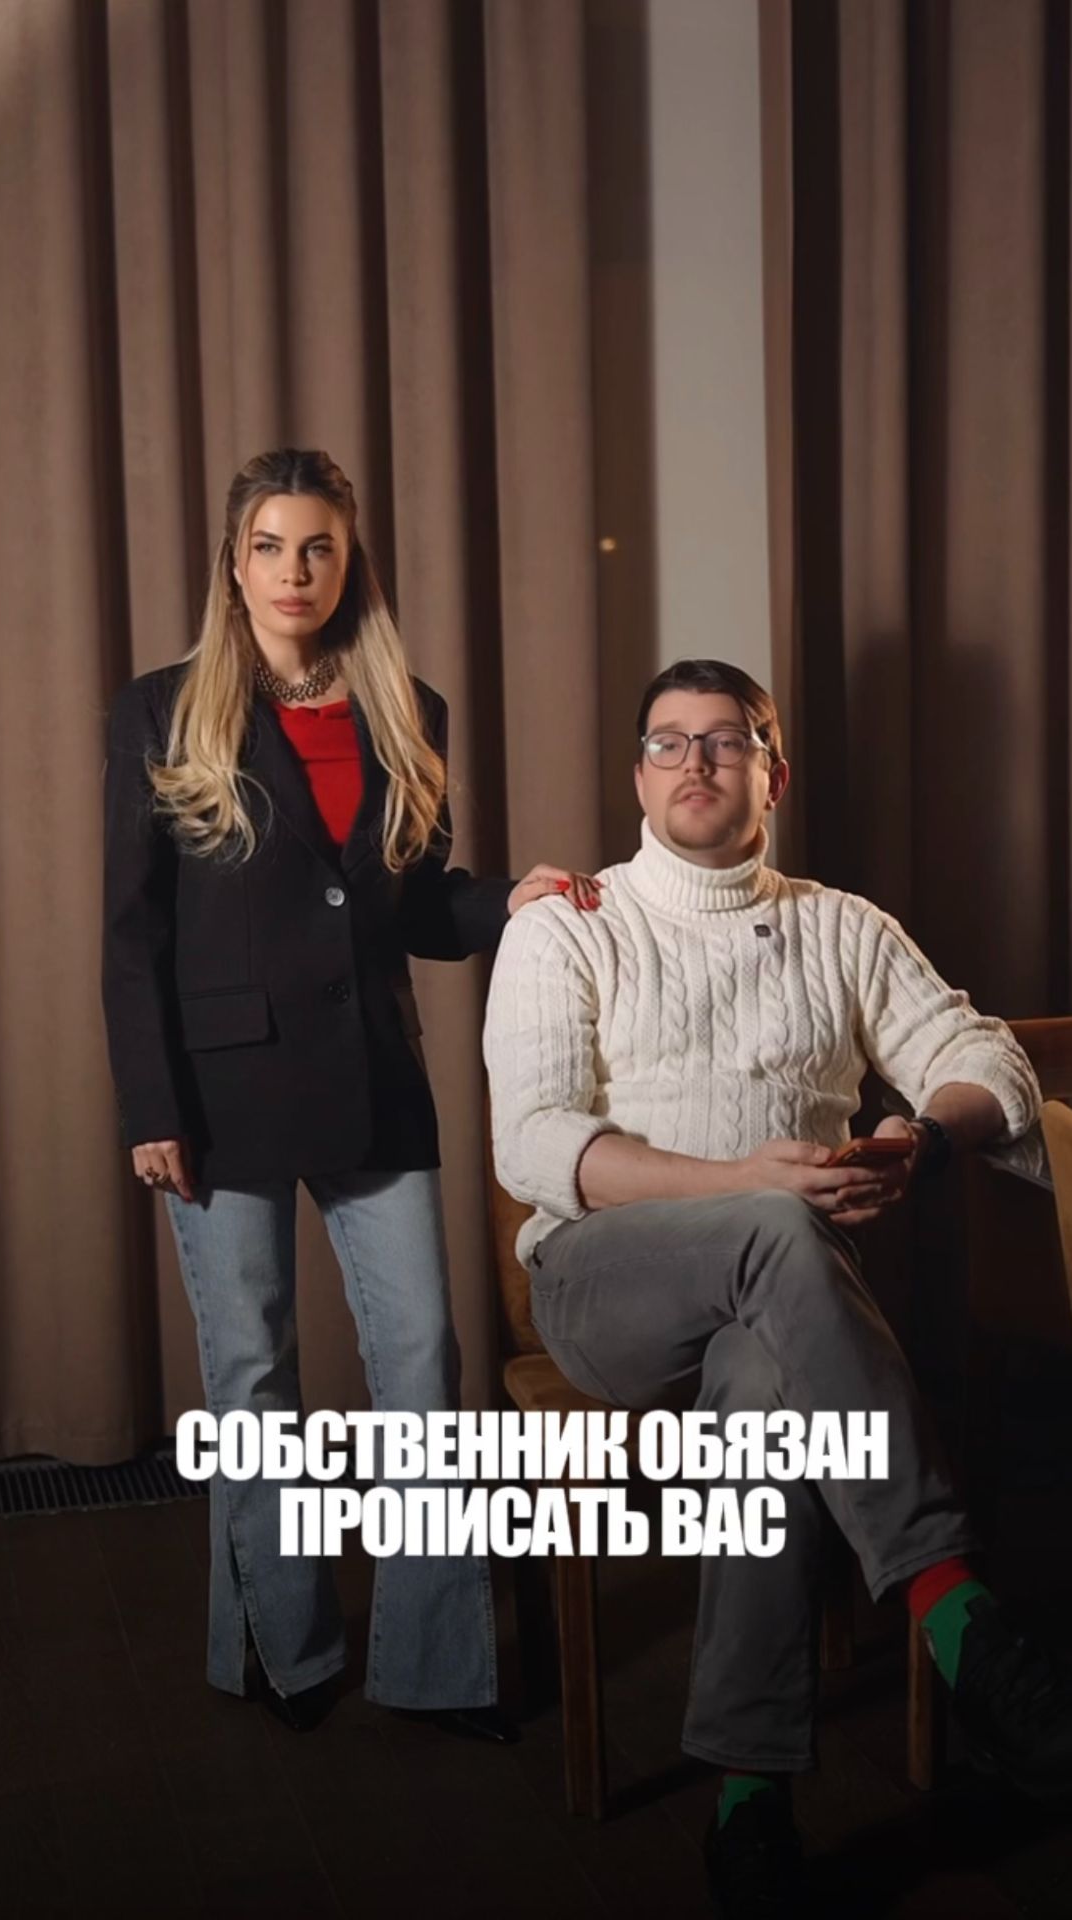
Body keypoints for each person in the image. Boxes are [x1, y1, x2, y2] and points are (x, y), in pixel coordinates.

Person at [484, 657, 1072, 1914]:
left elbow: (987, 1062)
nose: (694, 761)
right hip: (604, 1285)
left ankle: (747, 1801)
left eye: (725, 740)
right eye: (668, 742)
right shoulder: (566, 923)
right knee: (766, 1224)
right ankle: (953, 1608)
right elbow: (530, 1144)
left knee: (761, 1392)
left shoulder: (841, 925)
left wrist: (922, 1135)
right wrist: (739, 1181)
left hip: (784, 1312)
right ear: (636, 775)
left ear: (773, 774)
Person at [102, 446, 600, 1736]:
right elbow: (132, 932)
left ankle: (434, 1664)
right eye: (269, 546)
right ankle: (287, 1650)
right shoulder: (160, 710)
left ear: (347, 562)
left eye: (317, 547)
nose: (294, 571)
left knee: (422, 1359)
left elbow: (414, 903)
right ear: (234, 564)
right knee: (252, 1375)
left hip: (374, 1075)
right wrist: (151, 1108)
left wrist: (508, 902)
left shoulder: (405, 706)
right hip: (219, 1092)